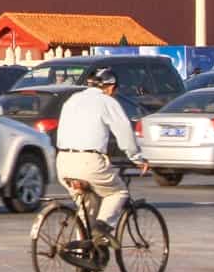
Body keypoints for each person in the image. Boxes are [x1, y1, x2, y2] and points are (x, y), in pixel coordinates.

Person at [55, 67, 147, 237]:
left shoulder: (72, 100)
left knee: (86, 210)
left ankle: (82, 255)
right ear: (111, 87)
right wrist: (137, 158)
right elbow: (124, 132)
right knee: (118, 193)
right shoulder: (107, 102)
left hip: (63, 161)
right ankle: (102, 229)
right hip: (89, 162)